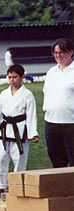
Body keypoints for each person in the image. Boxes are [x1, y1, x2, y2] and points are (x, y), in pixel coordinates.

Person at [0, 64, 39, 195]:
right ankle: (0, 185)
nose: (12, 80)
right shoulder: (4, 94)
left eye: (15, 77)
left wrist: (33, 133)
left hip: (20, 130)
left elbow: (31, 115)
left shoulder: (27, 94)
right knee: (1, 157)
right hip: (4, 129)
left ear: (22, 77)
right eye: (9, 77)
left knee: (19, 159)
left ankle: (17, 185)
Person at [42, 38, 74, 168]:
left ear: (71, 52)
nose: (58, 56)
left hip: (71, 123)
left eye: (62, 52)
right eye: (55, 53)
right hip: (51, 122)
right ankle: (60, 188)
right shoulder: (51, 72)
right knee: (56, 161)